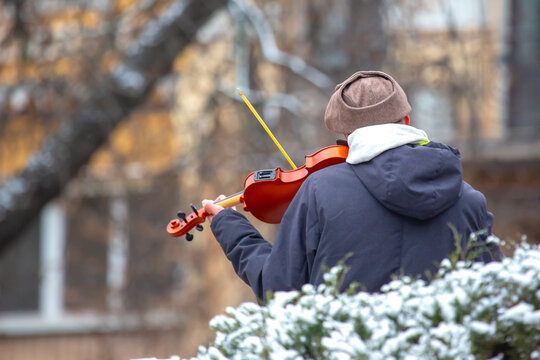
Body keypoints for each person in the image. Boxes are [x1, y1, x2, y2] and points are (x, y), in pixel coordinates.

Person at [202, 70, 501, 301]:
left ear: (347, 134)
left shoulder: (320, 192)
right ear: (406, 121)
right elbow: (494, 297)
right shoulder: (469, 200)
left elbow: (280, 292)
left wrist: (230, 227)